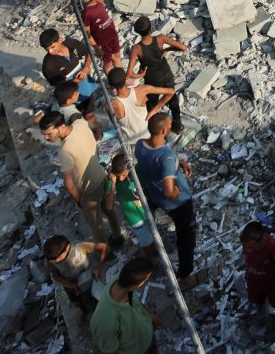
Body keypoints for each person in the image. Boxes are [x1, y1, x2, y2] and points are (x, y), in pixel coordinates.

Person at [135, 112, 200, 288]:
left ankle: (151, 245)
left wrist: (179, 164)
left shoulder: (140, 145)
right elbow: (169, 189)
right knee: (186, 237)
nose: (171, 126)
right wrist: (175, 193)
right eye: (170, 125)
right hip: (178, 203)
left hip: (154, 196)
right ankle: (185, 277)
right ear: (164, 130)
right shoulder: (165, 156)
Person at [40, 110, 121, 246]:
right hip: (102, 176)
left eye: (49, 134)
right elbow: (97, 127)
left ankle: (106, 253)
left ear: (61, 126)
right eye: (44, 135)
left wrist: (79, 201)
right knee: (110, 209)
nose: (46, 138)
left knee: (96, 225)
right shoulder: (80, 123)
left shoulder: (65, 151)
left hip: (88, 190)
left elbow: (69, 184)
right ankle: (118, 236)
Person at [127, 17, 185, 135]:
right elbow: (183, 47)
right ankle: (177, 125)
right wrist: (167, 49)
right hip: (166, 75)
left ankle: (155, 128)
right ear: (151, 29)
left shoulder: (136, 49)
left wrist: (140, 74)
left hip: (152, 79)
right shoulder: (160, 38)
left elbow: (129, 74)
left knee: (152, 103)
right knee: (172, 99)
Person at [90, 259, 160, 354]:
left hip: (147, 338)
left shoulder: (122, 280)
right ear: (134, 286)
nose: (146, 281)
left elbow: (135, 303)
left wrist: (150, 314)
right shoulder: (106, 323)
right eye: (146, 279)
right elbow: (111, 351)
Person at [105, 152, 157, 263]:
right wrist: (113, 183)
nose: (123, 178)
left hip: (146, 210)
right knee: (146, 242)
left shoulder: (135, 171)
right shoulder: (113, 182)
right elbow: (109, 207)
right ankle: (150, 260)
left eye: (125, 174)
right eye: (121, 176)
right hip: (135, 219)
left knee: (152, 235)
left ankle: (155, 251)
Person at [240, 220, 275, 328]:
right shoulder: (245, 239)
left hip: (271, 280)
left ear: (259, 241)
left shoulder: (274, 246)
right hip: (253, 277)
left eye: (250, 246)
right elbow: (245, 252)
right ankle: (261, 312)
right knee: (256, 298)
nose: (247, 248)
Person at [45, 233, 109, 319]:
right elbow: (55, 275)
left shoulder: (80, 248)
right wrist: (68, 284)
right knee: (76, 301)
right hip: (70, 284)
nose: (56, 261)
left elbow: (103, 246)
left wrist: (98, 268)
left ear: (67, 248)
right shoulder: (52, 260)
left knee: (91, 299)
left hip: (86, 280)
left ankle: (98, 315)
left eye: (57, 258)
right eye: (53, 259)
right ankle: (84, 311)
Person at [105, 67, 174, 147]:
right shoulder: (141, 90)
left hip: (130, 142)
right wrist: (154, 110)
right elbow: (171, 92)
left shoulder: (109, 105)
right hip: (148, 136)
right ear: (126, 79)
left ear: (111, 86)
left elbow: (115, 124)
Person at [40, 29, 100, 104]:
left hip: (90, 86)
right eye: (47, 49)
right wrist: (81, 78)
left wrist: (86, 67)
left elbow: (89, 52)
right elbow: (62, 89)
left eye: (52, 47)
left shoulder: (71, 43)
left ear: (60, 40)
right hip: (74, 99)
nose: (50, 51)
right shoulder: (48, 66)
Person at [81, 0, 122, 71]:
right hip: (104, 43)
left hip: (113, 36)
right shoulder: (87, 13)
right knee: (108, 62)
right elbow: (87, 33)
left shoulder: (99, 4)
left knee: (117, 56)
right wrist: (96, 48)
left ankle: (121, 79)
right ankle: (112, 81)